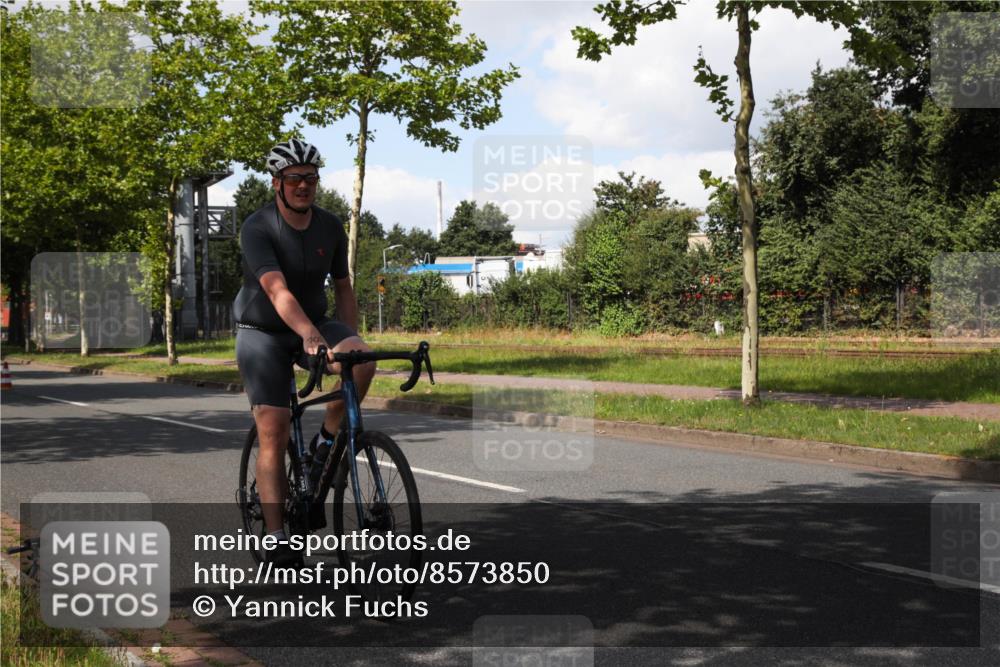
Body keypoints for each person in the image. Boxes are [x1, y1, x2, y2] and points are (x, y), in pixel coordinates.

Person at [233, 138, 376, 565]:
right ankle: (276, 536)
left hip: (313, 322)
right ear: (277, 183)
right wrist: (310, 338)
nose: (303, 186)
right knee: (273, 429)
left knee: (362, 361)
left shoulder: (330, 226)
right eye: (294, 179)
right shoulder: (258, 227)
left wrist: (346, 340)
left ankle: (324, 446)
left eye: (310, 179)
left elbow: (344, 287)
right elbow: (276, 290)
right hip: (263, 331)